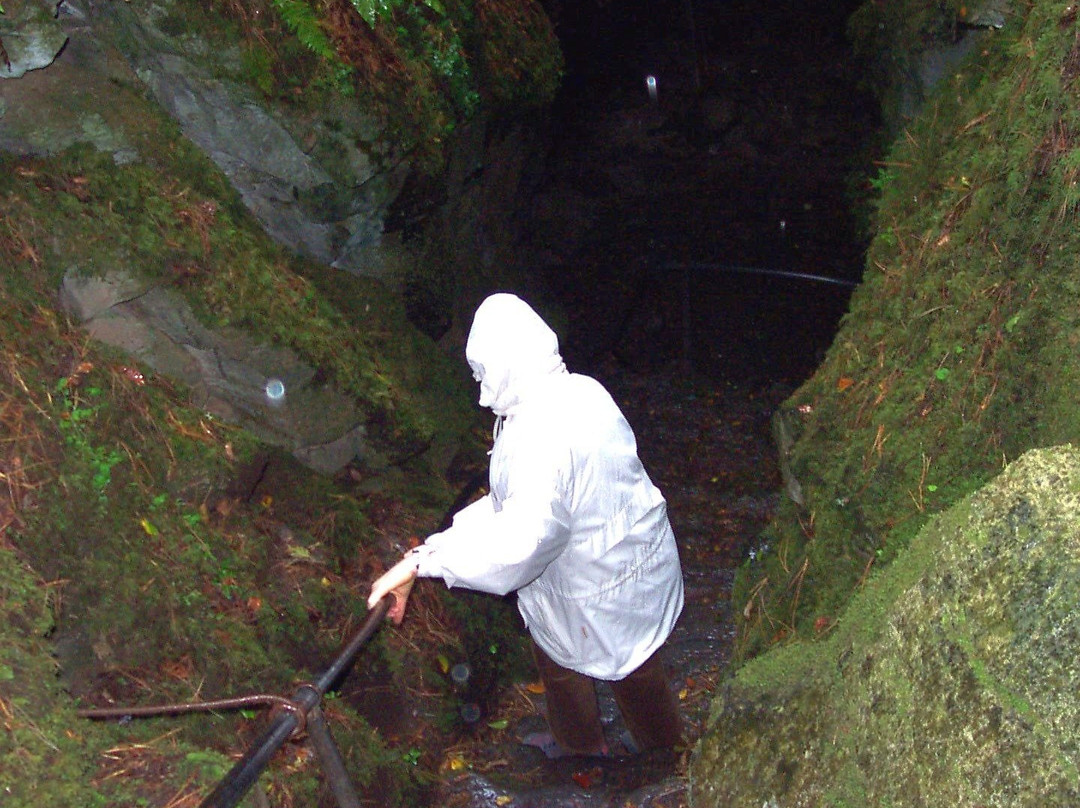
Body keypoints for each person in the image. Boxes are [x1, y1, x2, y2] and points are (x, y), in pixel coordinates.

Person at [367, 292, 684, 758]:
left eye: (484, 374)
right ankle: (615, 749)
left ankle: (654, 758)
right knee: (581, 659)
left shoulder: (538, 437)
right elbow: (511, 508)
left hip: (594, 584)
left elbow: (519, 541)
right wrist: (425, 554)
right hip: (623, 564)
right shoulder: (580, 391)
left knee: (626, 669)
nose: (480, 392)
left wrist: (425, 563)